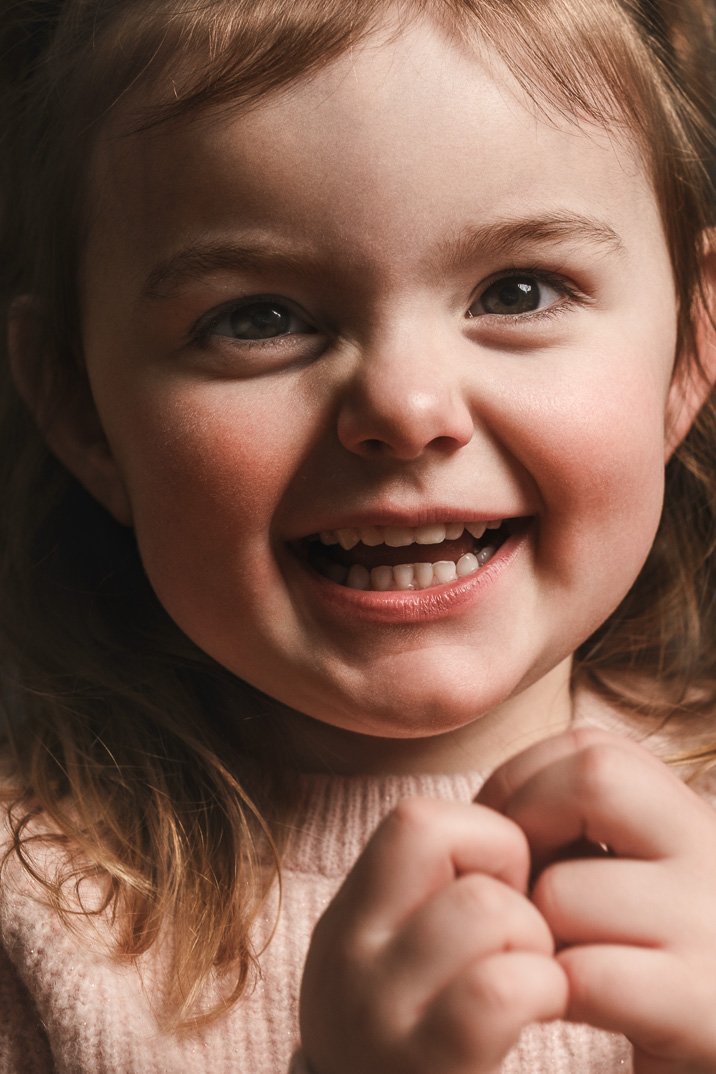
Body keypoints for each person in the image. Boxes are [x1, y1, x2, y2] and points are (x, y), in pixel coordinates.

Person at [0, 0, 715, 1070]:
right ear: (81, 409)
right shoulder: (30, 914)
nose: (404, 406)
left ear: (688, 350)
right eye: (258, 317)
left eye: (517, 291)